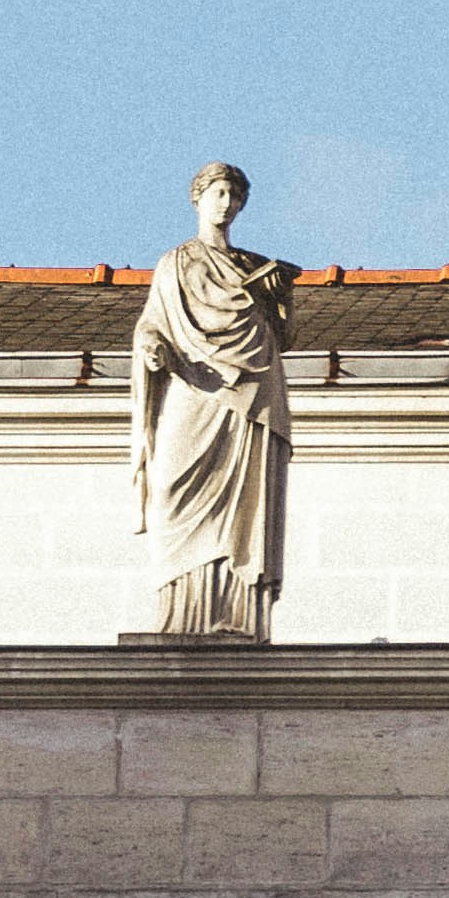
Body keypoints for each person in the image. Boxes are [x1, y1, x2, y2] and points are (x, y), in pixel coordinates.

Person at [127, 162, 297, 644]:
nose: (225, 203)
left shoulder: (251, 267)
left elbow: (284, 335)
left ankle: (238, 612)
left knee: (245, 505)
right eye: (217, 193)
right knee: (173, 489)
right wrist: (150, 346)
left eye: (234, 196)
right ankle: (178, 609)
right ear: (198, 198)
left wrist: (280, 299)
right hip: (191, 385)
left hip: (253, 390)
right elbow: (151, 322)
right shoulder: (175, 263)